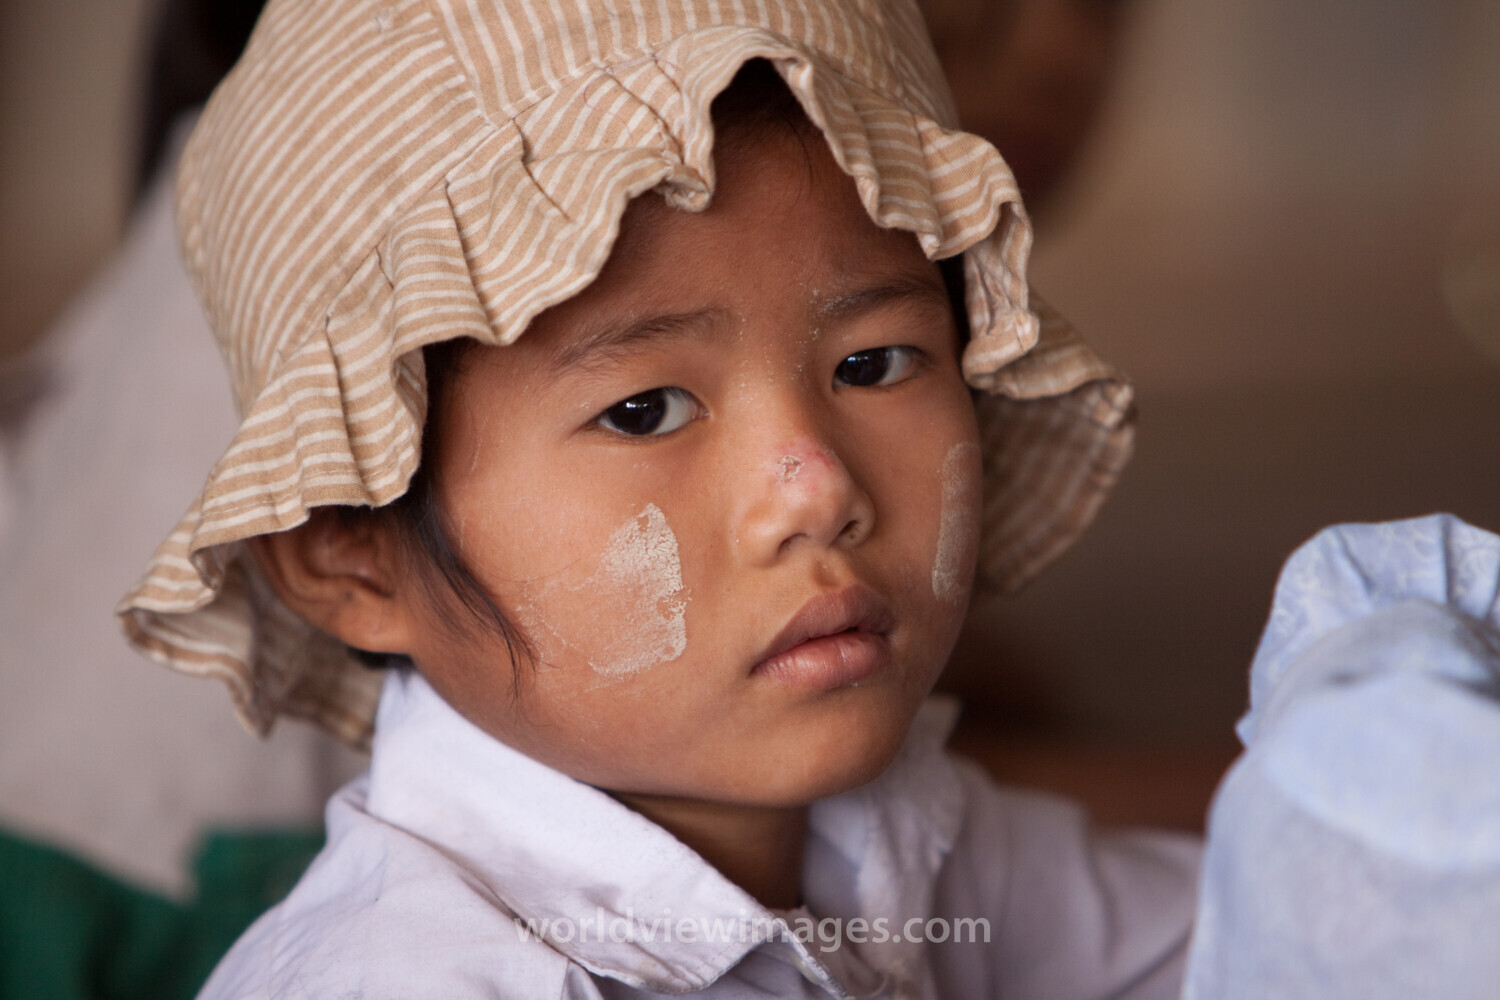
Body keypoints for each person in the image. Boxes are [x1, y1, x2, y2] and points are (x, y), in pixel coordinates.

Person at [116, 0, 1203, 996]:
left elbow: (1277, 933)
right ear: (351, 550)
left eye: (872, 364)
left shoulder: (921, 853)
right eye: (643, 412)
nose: (813, 492)